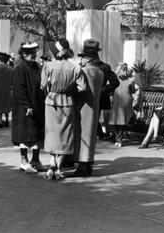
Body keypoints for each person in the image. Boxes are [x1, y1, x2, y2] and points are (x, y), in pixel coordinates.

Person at [41, 39, 86, 180]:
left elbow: (43, 86)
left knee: (51, 133)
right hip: (67, 102)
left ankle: (51, 165)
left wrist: (50, 90)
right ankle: (59, 167)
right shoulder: (75, 68)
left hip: (51, 101)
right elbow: (82, 88)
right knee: (64, 135)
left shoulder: (48, 66)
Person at [70, 43, 104, 177]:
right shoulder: (100, 72)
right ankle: (88, 163)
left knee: (82, 135)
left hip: (82, 106)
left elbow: (77, 88)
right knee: (90, 135)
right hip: (94, 107)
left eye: (83, 57)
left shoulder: (83, 71)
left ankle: (82, 165)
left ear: (88, 58)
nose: (81, 60)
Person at [12, 42, 46, 174]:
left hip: (37, 105)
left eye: (34, 53)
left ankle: (36, 160)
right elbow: (19, 89)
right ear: (24, 54)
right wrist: (27, 106)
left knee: (37, 133)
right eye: (30, 53)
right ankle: (24, 161)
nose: (33, 55)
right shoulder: (20, 68)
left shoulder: (35, 66)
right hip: (24, 109)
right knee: (25, 134)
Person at [82, 39, 120, 140]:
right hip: (85, 98)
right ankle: (100, 134)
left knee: (93, 118)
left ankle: (98, 135)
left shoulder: (104, 67)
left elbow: (115, 82)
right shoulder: (82, 67)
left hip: (98, 98)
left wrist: (103, 91)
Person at [109, 62, 139, 147]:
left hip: (117, 100)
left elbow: (111, 90)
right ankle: (119, 139)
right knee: (123, 120)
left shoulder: (114, 79)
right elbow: (132, 91)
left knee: (115, 120)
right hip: (126, 100)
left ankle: (118, 139)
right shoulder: (130, 80)